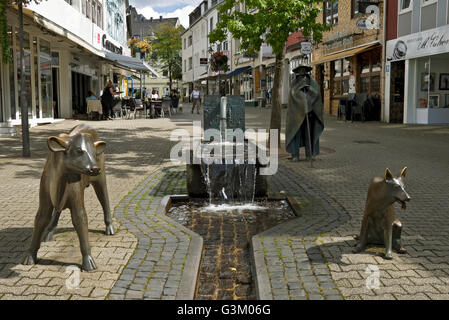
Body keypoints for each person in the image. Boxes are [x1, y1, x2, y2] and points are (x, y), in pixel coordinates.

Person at [285, 65, 324, 162]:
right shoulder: (294, 83)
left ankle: (309, 155)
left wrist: (308, 90)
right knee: (296, 134)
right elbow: (293, 95)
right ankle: (295, 155)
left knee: (308, 135)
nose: (302, 72)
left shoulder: (312, 82)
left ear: (306, 71)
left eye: (304, 70)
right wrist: (300, 91)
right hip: (297, 114)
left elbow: (316, 94)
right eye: (300, 70)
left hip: (309, 113)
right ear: (297, 72)